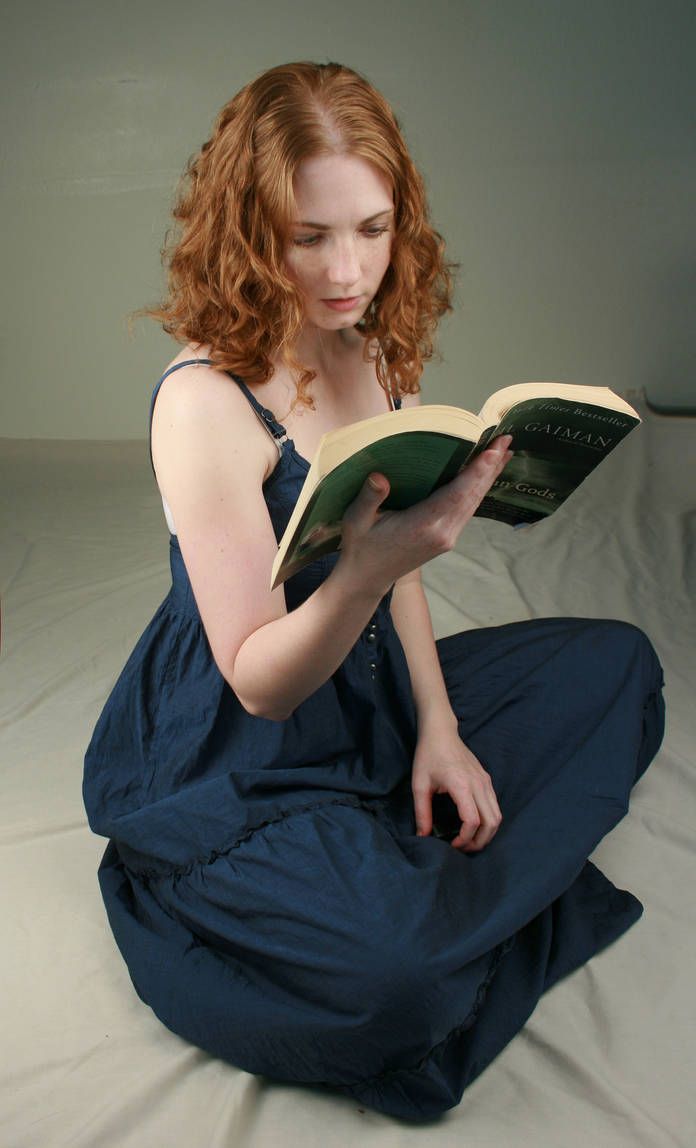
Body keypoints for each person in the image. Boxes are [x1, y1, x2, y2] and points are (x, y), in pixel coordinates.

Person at [83, 61, 665, 1121]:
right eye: (310, 237)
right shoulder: (203, 403)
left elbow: (399, 595)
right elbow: (260, 682)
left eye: (374, 227)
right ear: (252, 228)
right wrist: (368, 567)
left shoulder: (368, 347)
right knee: (398, 981)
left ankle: (413, 872)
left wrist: (439, 724)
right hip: (238, 752)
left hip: (373, 699)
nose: (348, 268)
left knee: (622, 665)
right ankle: (409, 908)